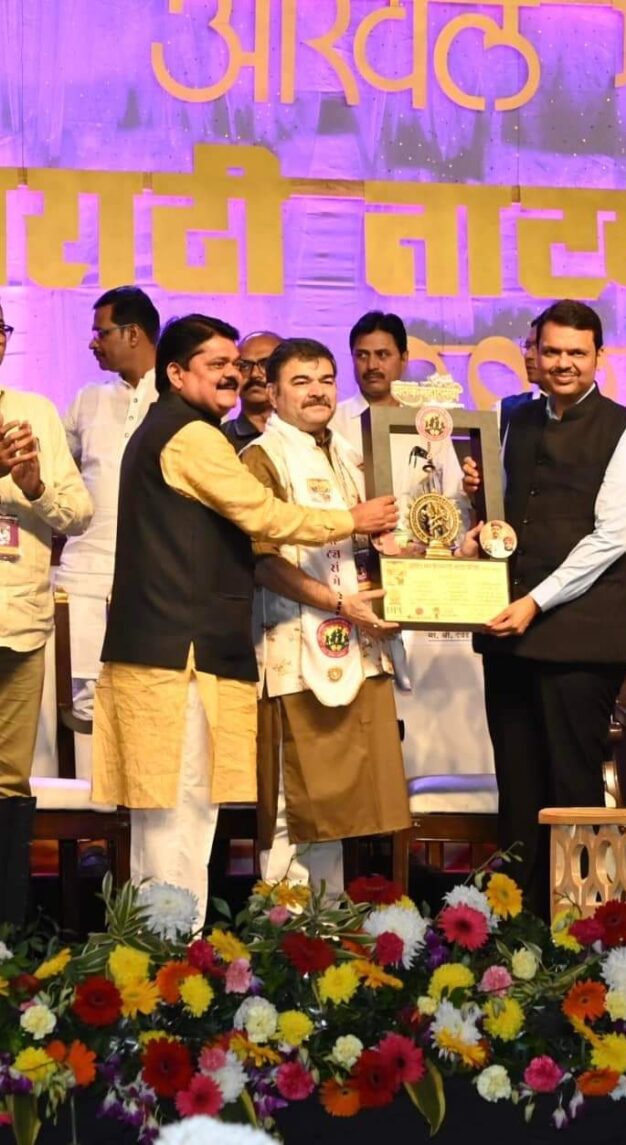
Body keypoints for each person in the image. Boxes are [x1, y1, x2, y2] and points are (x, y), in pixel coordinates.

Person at [91, 315, 397, 926]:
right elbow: (263, 516)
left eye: (236, 364)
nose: (233, 374)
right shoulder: (192, 436)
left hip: (170, 649)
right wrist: (351, 521)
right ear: (175, 373)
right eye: (216, 364)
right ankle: (167, 954)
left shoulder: (178, 429)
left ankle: (159, 950)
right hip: (179, 653)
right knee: (178, 816)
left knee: (174, 815)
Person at [469, 299, 626, 917]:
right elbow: (502, 519)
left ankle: (582, 926)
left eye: (577, 352)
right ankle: (515, 925)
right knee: (517, 784)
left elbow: (611, 538)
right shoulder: (510, 417)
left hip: (582, 636)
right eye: (552, 351)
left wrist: (535, 601)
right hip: (508, 631)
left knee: (572, 785)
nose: (564, 363)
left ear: (599, 356)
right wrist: (477, 504)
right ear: (534, 353)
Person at [241, 338, 411, 892]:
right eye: (301, 382)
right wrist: (340, 604)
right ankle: (281, 931)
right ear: (271, 392)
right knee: (293, 802)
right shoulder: (261, 458)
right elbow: (262, 561)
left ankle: (326, 925)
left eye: (326, 380)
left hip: (356, 644)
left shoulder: (350, 454)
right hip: (293, 648)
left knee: (337, 809)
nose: (317, 392)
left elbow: (371, 545)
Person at [0, 301, 92, 925]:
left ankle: (7, 935)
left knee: (8, 783)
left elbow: (79, 514)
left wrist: (33, 485)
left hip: (19, 623)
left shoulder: (34, 413)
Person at [56, 287, 160, 738]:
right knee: (84, 707)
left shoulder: (176, 397)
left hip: (155, 583)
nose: (92, 342)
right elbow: (56, 472)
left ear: (132, 334)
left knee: (148, 707)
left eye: (101, 333)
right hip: (85, 576)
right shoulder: (88, 400)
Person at [330, 310, 470, 537]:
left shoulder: (428, 423)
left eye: (382, 355)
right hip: (348, 549)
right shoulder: (332, 422)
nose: (372, 365)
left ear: (404, 359)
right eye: (362, 355)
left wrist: (456, 548)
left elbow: (453, 495)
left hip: (418, 551)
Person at [222, 330, 280, 452]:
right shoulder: (220, 439)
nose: (254, 374)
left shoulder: (304, 435)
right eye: (244, 366)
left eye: (265, 364)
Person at [499, 316, 545, 440]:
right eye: (527, 346)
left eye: (538, 347)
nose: (528, 356)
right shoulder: (505, 410)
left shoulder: (594, 414)